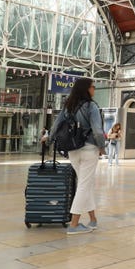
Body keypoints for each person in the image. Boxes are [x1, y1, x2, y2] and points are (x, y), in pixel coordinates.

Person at [50, 78, 106, 235]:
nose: (94, 90)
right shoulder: (91, 106)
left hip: (73, 150)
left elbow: (56, 125)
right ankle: (74, 224)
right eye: (93, 87)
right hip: (89, 149)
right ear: (87, 89)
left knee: (84, 184)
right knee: (83, 185)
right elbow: (97, 130)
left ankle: (93, 219)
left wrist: (48, 140)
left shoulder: (69, 105)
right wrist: (102, 147)